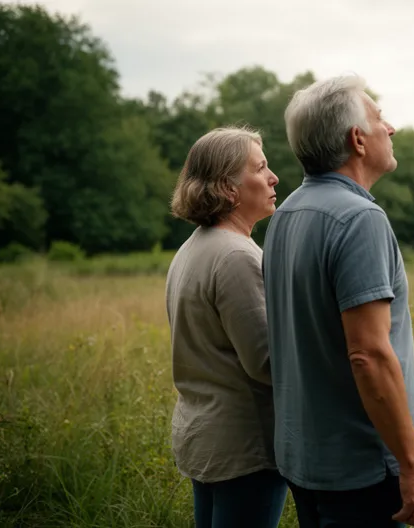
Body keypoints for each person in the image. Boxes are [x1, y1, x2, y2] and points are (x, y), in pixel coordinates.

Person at [262, 74, 414, 527]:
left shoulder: (284, 216)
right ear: (357, 140)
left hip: (303, 461)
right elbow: (369, 354)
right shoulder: (361, 219)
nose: (392, 128)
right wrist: (413, 466)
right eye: (381, 118)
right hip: (360, 473)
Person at [164, 125, 287, 528]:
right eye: (261, 167)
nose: (274, 178)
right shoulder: (235, 255)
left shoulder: (194, 246)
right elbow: (266, 362)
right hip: (243, 447)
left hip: (206, 436)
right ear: (228, 188)